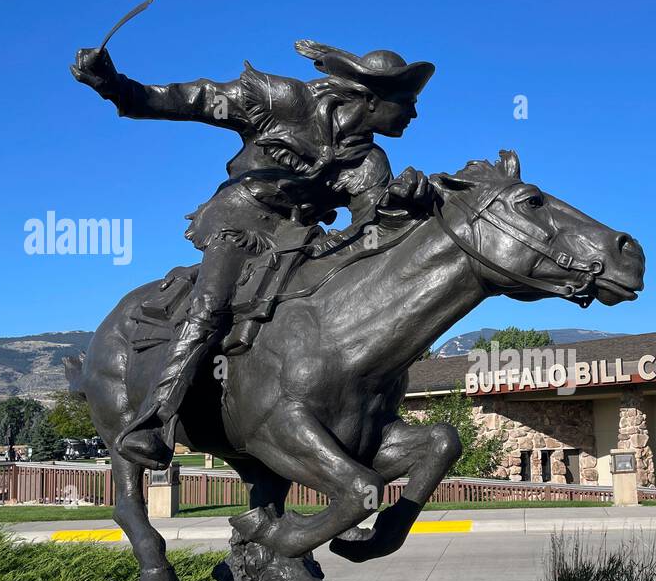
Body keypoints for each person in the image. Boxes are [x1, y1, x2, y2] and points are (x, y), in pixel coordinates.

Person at [70, 39, 435, 468]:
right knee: (210, 308)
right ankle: (155, 419)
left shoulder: (369, 162)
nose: (413, 114)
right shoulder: (282, 101)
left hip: (299, 240)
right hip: (241, 222)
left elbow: (370, 231)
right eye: (407, 102)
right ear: (371, 99)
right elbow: (194, 100)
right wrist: (115, 85)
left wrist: (406, 204)